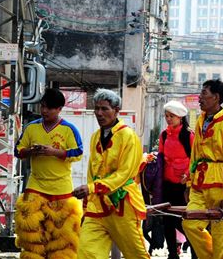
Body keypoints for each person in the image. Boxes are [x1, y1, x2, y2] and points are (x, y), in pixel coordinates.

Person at [73, 88, 149, 259]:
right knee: (86, 252)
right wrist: (88, 203)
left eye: (105, 109)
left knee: (136, 254)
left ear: (116, 111)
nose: (99, 113)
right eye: (97, 109)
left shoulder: (128, 136)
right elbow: (92, 172)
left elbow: (124, 173)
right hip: (98, 206)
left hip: (123, 205)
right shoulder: (95, 137)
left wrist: (92, 187)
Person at [14, 88, 83, 258]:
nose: (44, 111)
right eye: (43, 106)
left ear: (59, 109)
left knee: (61, 239)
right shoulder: (31, 127)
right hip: (35, 185)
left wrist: (54, 152)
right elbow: (18, 151)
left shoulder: (69, 129)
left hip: (61, 188)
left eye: (50, 108)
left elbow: (78, 153)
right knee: (31, 235)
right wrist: (30, 151)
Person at [182, 79, 223, 259]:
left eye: (204, 94)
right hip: (200, 183)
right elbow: (195, 154)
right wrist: (190, 183)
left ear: (216, 98)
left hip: (220, 184)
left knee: (222, 235)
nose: (200, 98)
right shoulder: (201, 120)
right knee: (190, 223)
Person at [159, 100, 197, 259]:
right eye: (167, 116)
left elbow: (196, 159)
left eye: (172, 116)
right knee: (167, 218)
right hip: (167, 182)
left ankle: (196, 248)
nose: (168, 119)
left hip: (184, 185)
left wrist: (188, 175)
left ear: (180, 117)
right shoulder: (164, 134)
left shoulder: (189, 135)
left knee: (183, 220)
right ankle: (172, 253)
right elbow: (161, 156)